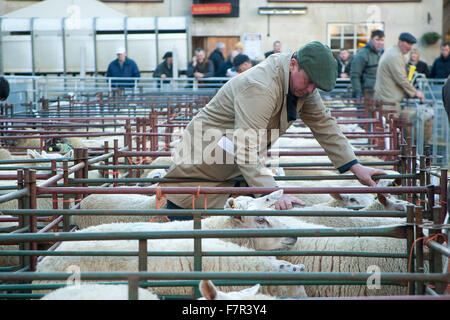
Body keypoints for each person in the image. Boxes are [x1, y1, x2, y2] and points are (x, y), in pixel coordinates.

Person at [161, 41, 386, 218]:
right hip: (203, 168)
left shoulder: (301, 85)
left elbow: (324, 123)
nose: (310, 90)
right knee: (189, 243)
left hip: (233, 172)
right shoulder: (260, 87)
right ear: (293, 64)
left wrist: (355, 166)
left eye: (315, 86)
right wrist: (272, 193)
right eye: (308, 82)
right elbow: (245, 148)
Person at [374, 33, 428, 141]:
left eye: (411, 44)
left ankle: (389, 154)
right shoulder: (395, 55)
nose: (410, 47)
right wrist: (416, 93)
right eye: (408, 43)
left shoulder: (393, 52)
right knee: (389, 133)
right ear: (400, 42)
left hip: (387, 99)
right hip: (388, 101)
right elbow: (401, 79)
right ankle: (389, 156)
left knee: (388, 131)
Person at [350, 29, 385, 98]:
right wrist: (358, 93)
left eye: (382, 40)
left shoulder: (384, 54)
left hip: (381, 93)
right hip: (366, 94)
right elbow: (355, 75)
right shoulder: (362, 54)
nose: (380, 43)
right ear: (371, 40)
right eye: (377, 40)